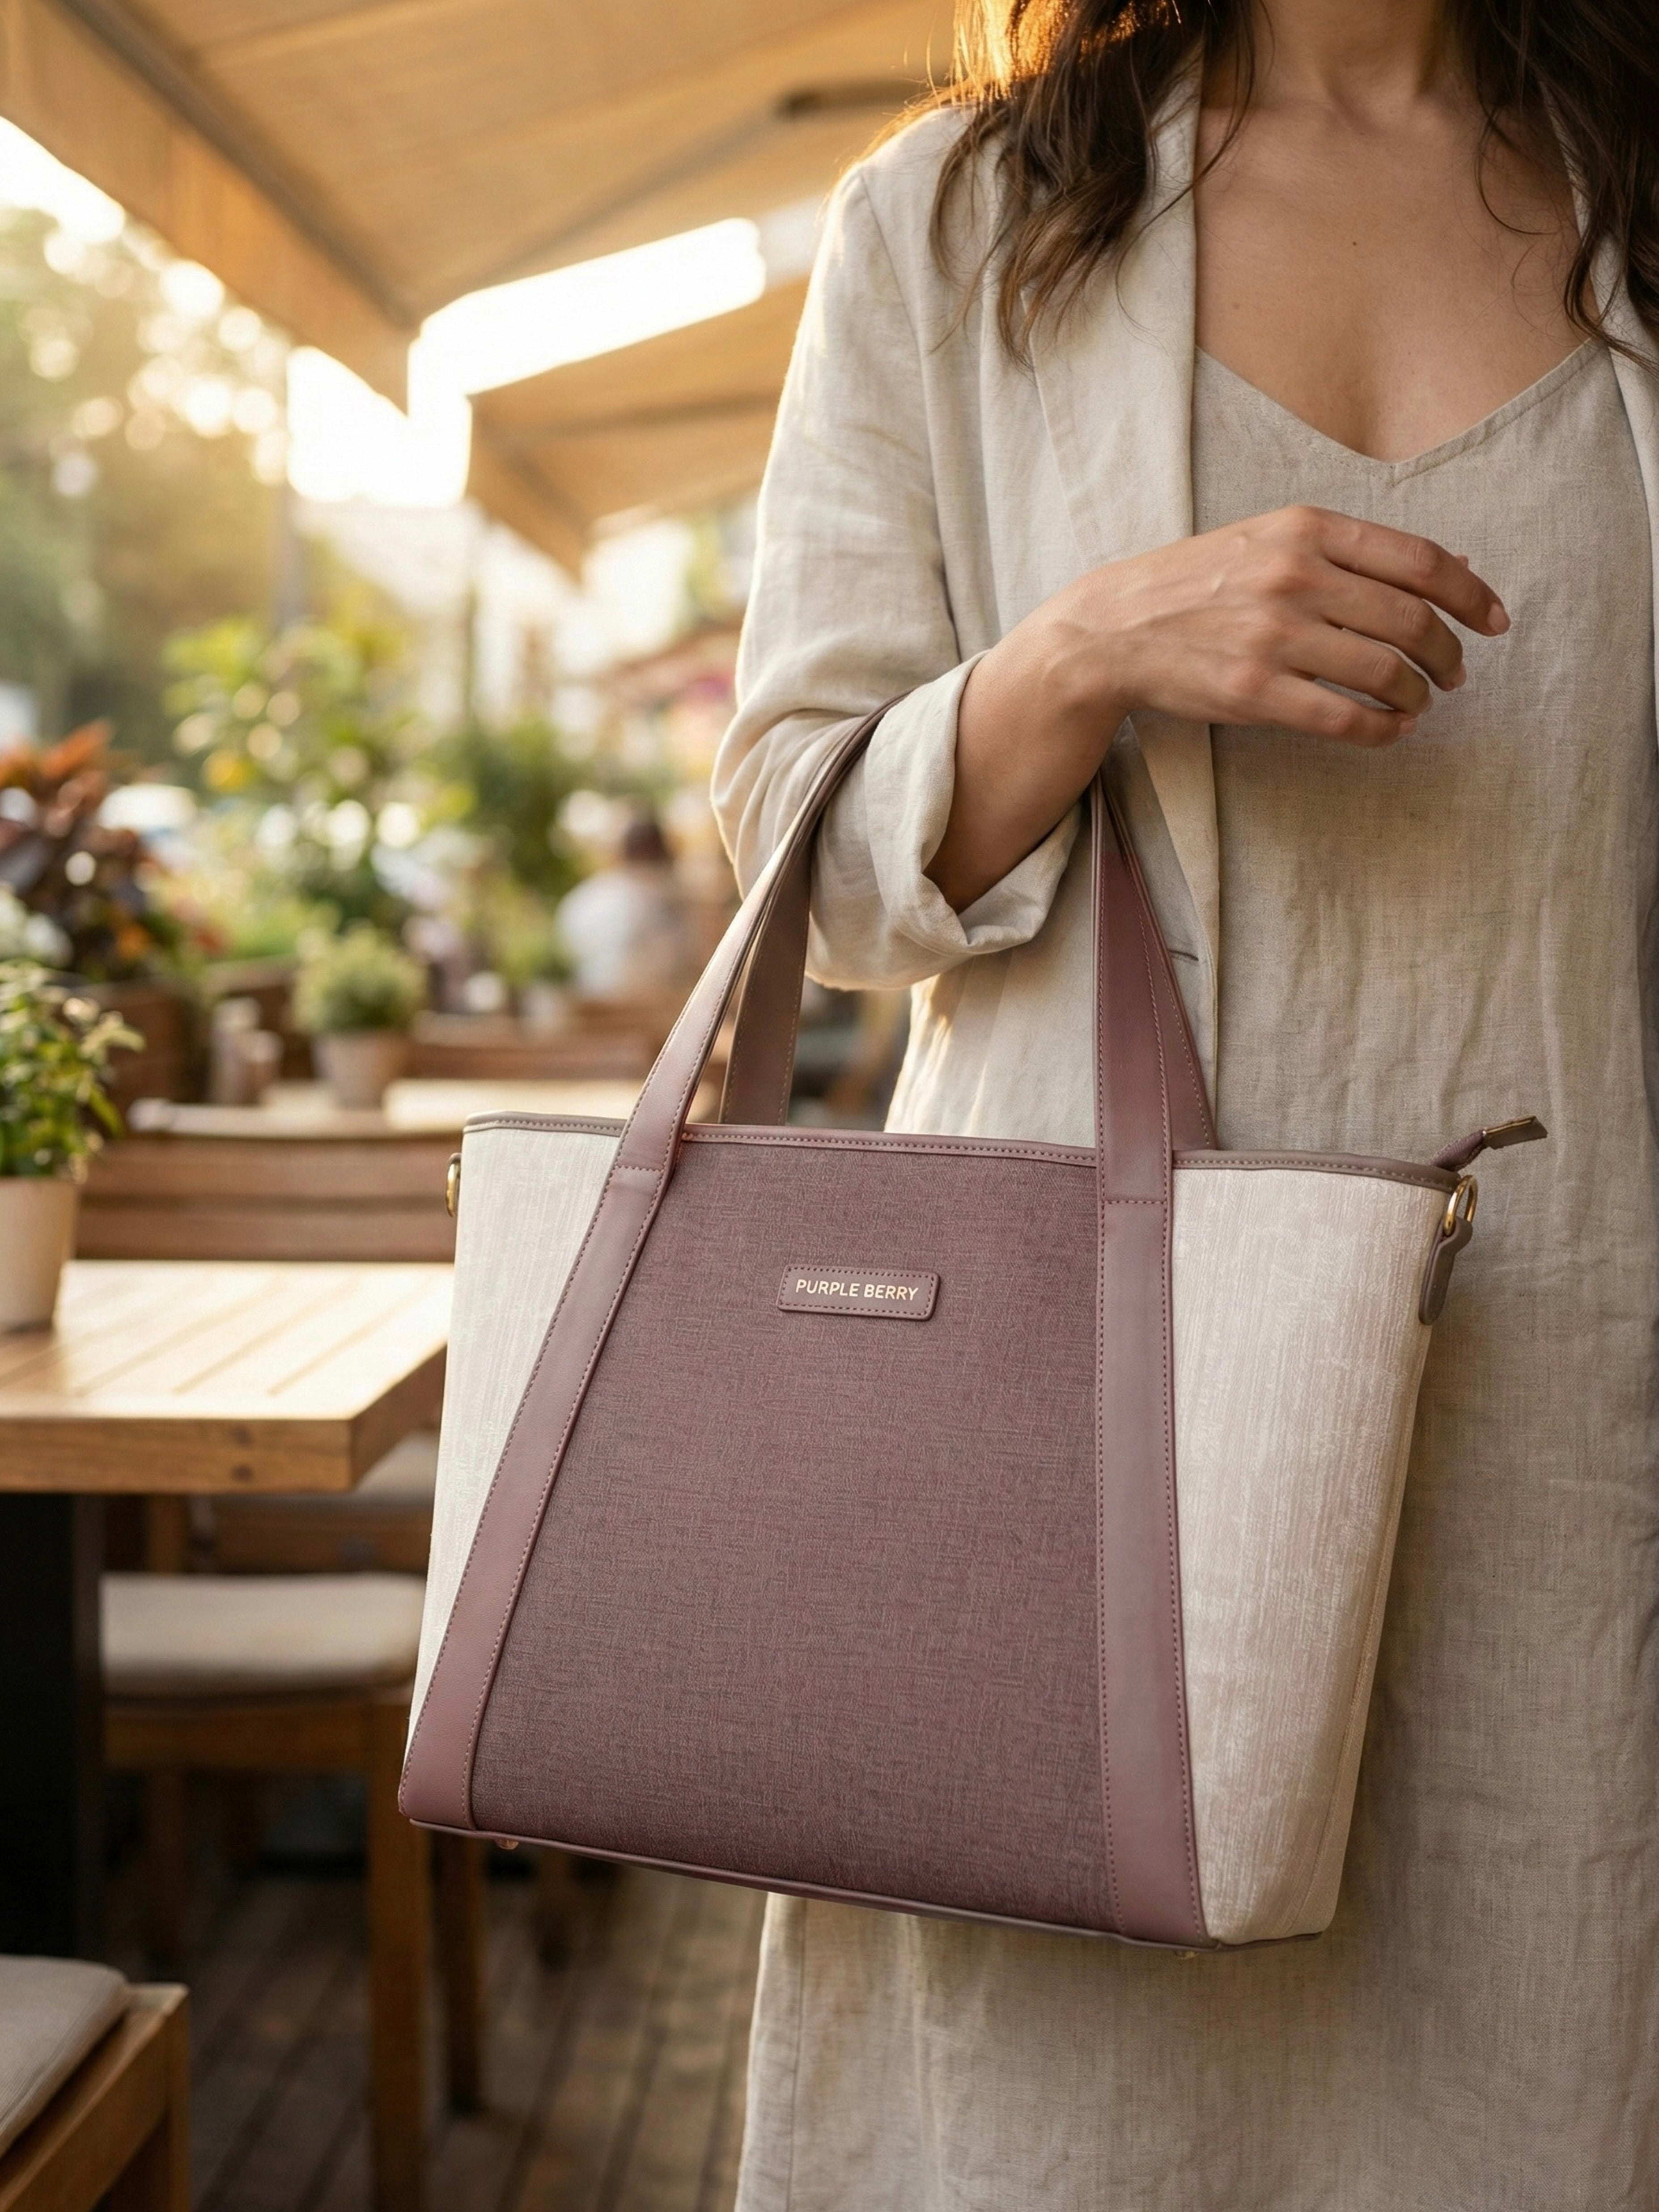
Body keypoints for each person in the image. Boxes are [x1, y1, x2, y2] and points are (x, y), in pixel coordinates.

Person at [712, 0, 1659, 2204]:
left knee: (1546, 2082)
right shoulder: (954, 220)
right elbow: (795, 850)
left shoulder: (1642, 179)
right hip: (1089, 1384)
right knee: (1075, 2122)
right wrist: (1082, 654)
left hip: (1588, 1398)